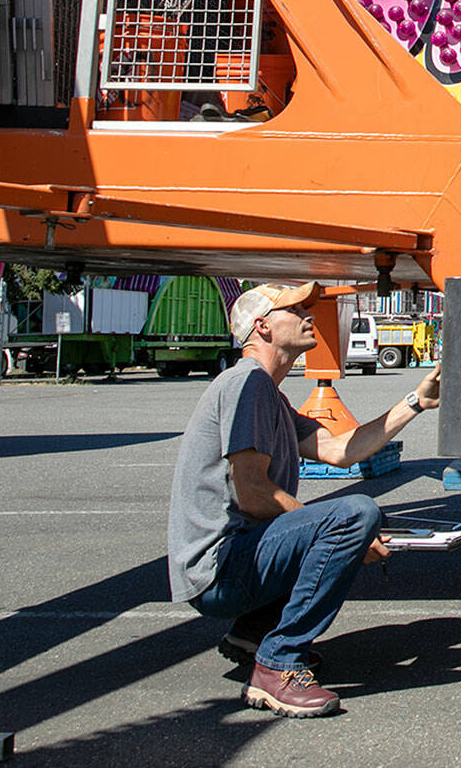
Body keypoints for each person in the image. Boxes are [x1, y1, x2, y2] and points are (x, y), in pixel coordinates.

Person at [167, 281, 442, 717]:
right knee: (355, 513)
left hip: (234, 564)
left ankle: (255, 630)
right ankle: (278, 664)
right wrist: (346, 532)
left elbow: (339, 450)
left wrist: (415, 402)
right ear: (263, 327)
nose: (309, 315)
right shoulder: (247, 385)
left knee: (345, 521)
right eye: (295, 310)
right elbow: (254, 493)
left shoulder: (267, 394)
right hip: (219, 571)